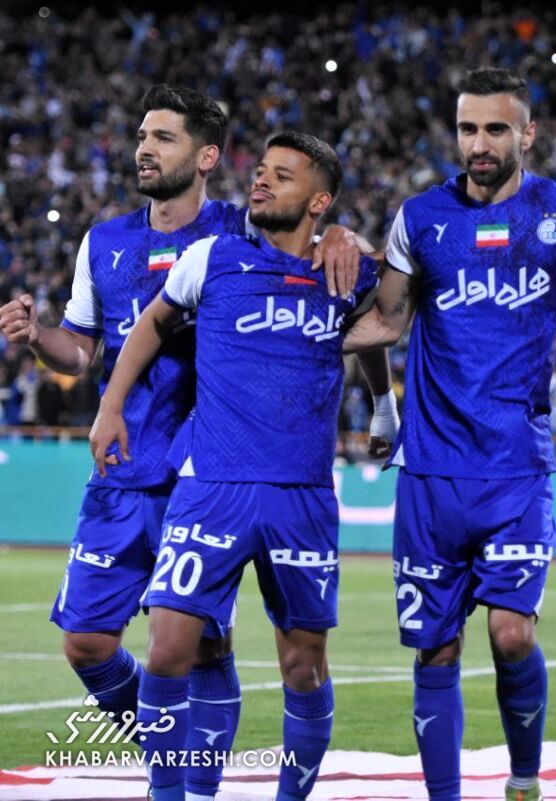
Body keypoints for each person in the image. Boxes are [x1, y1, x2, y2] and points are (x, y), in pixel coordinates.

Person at [0, 86, 390, 801]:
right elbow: (80, 351)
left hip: (204, 471)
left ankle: (191, 787)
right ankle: (171, 760)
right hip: (123, 467)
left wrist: (344, 236)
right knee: (87, 642)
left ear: (206, 156)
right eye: (141, 136)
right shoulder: (105, 242)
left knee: (199, 647)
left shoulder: (242, 228)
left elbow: (329, 263)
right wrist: (36, 339)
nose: (144, 149)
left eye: (163, 138)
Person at [341, 68, 556, 801]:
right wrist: (374, 402)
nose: (480, 143)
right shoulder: (421, 218)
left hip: (516, 466)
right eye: (468, 128)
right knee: (436, 650)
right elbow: (384, 321)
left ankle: (523, 780)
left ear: (527, 132)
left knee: (512, 634)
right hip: (432, 472)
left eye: (496, 128)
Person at [89, 131, 377, 801]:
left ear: (320, 201)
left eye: (282, 175)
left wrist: (384, 404)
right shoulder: (212, 257)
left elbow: (385, 318)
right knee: (167, 651)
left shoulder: (344, 269)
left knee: (303, 666)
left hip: (301, 493)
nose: (261, 181)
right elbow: (152, 323)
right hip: (211, 485)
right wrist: (110, 406)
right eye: (261, 170)